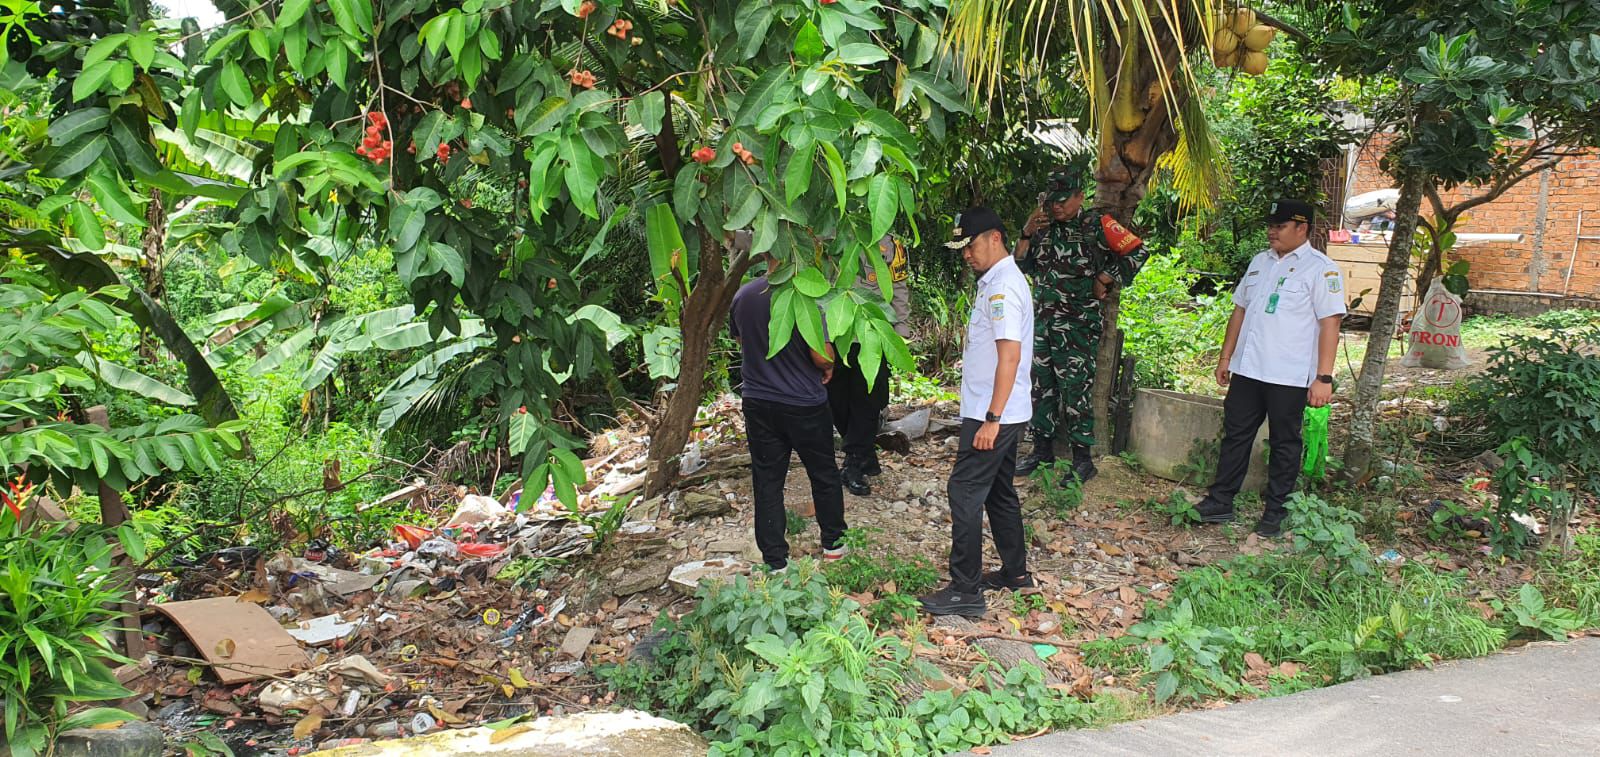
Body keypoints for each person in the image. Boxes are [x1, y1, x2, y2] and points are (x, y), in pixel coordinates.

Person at [1194, 199, 1346, 537]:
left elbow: (1330, 324)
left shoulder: (1321, 270)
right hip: (1248, 369)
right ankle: (1220, 501)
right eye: (1270, 225)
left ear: (1302, 228)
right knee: (1235, 436)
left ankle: (1275, 513)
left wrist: (1323, 378)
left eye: (1280, 226)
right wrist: (1225, 358)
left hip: (1288, 375)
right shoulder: (1260, 261)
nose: (1271, 232)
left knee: (1284, 443)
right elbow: (1239, 310)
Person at [918, 208, 1034, 617]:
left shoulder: (1003, 287)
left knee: (964, 490)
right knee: (999, 492)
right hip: (1000, 409)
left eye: (971, 245)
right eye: (963, 248)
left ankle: (965, 590)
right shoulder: (997, 282)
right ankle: (1016, 573)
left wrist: (992, 419)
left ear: (995, 238)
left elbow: (1010, 356)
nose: (967, 254)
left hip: (994, 413)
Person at [1012, 165, 1148, 483]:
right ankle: (1041, 452)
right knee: (1041, 388)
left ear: (1079, 196)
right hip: (1043, 324)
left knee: (1075, 392)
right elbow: (1020, 264)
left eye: (1062, 200)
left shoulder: (1097, 224)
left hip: (1077, 327)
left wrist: (1105, 277)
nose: (1056, 207)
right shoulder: (1042, 226)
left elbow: (1137, 251)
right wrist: (1026, 233)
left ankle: (1083, 461)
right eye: (1052, 201)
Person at [729, 255, 849, 570]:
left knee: (767, 481)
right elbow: (821, 356)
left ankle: (775, 561)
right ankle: (834, 545)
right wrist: (830, 364)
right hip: (804, 403)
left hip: (758, 401)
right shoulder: (808, 297)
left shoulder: (744, 295)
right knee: (823, 474)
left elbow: (742, 340)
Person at [829, 235, 911, 496]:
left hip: (872, 334)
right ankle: (865, 453)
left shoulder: (891, 244)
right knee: (835, 400)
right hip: (836, 333)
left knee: (869, 400)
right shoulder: (827, 231)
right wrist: (734, 239)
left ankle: (853, 462)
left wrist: (901, 330)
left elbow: (899, 287)